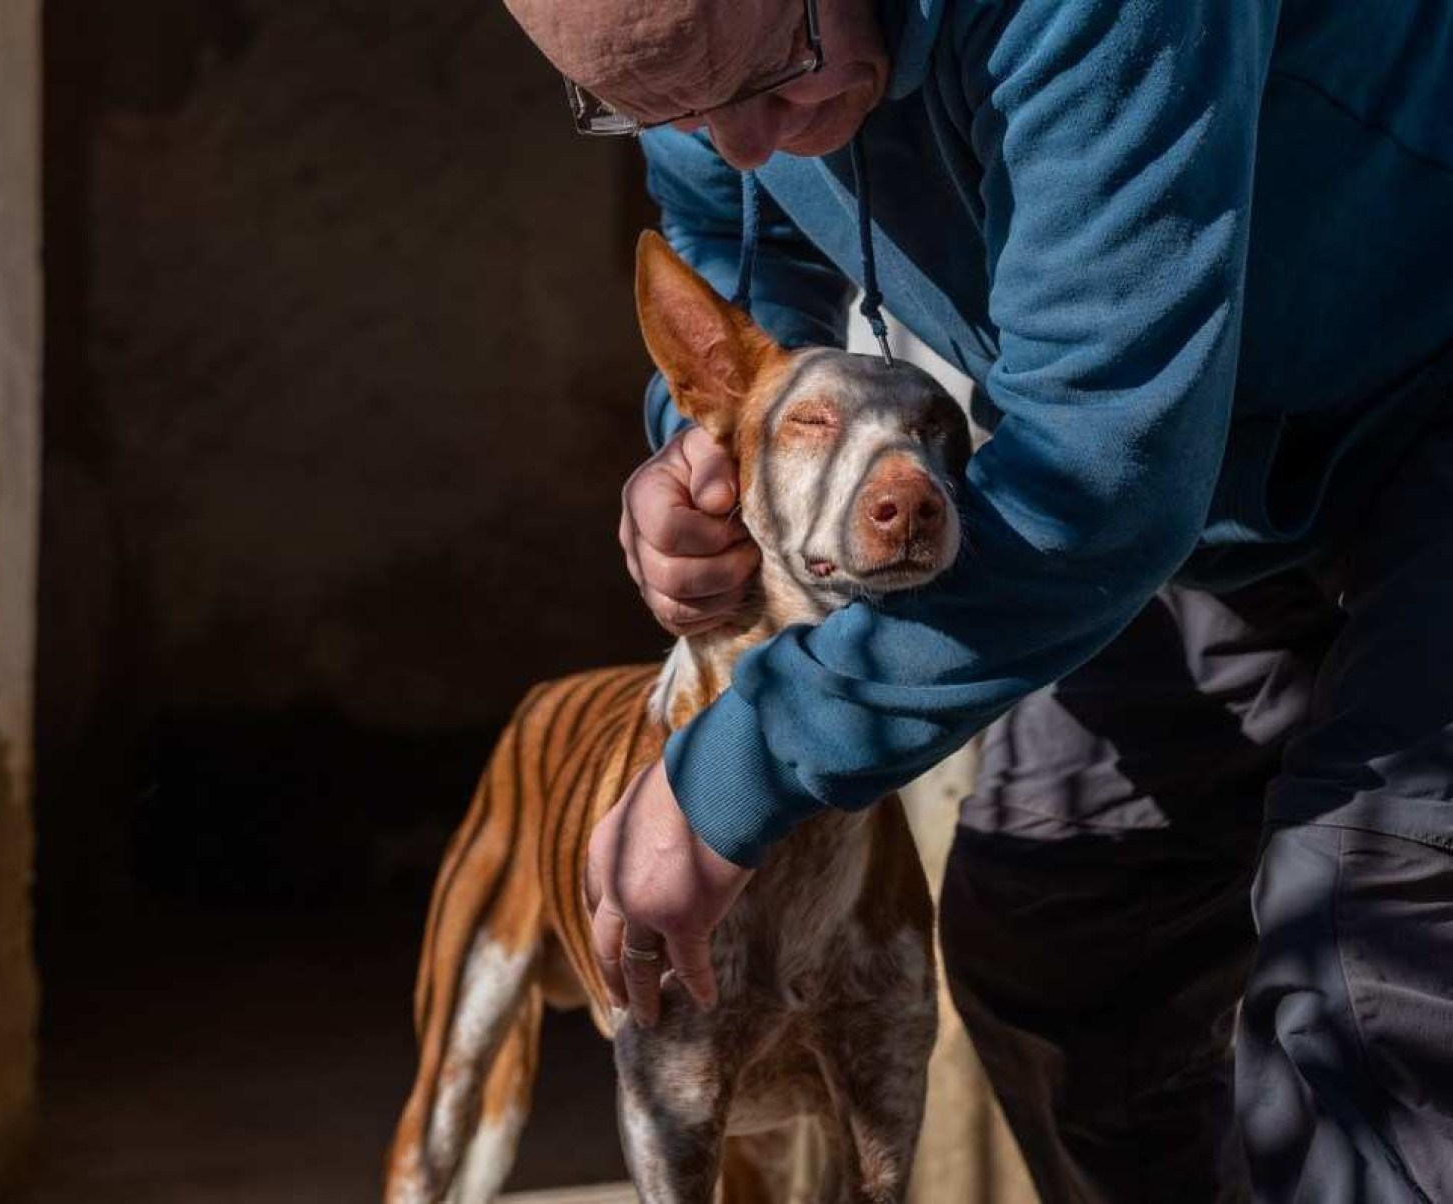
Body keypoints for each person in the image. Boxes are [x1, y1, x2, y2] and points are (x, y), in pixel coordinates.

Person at [502, 0, 1453, 1199]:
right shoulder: (713, 60)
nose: (740, 142)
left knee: (1382, 953)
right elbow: (738, 250)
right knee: (1065, 936)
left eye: (771, 74)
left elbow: (1098, 470)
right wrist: (716, 460)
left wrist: (734, 774)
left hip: (1385, 389)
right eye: (657, 109)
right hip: (1213, 488)